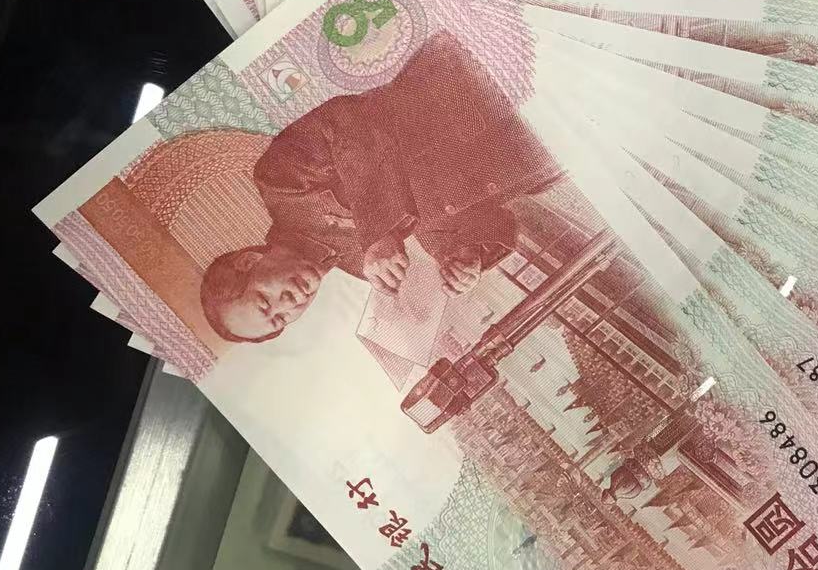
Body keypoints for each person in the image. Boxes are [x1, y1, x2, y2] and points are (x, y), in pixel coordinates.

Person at [199, 30, 560, 343]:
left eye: (265, 301)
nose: (288, 304)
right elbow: (442, 208)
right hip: (531, 151)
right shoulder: (362, 267)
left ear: (249, 260)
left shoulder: (279, 183)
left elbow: (350, 118)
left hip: (476, 77)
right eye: (279, 320)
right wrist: (462, 252)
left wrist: (380, 233)